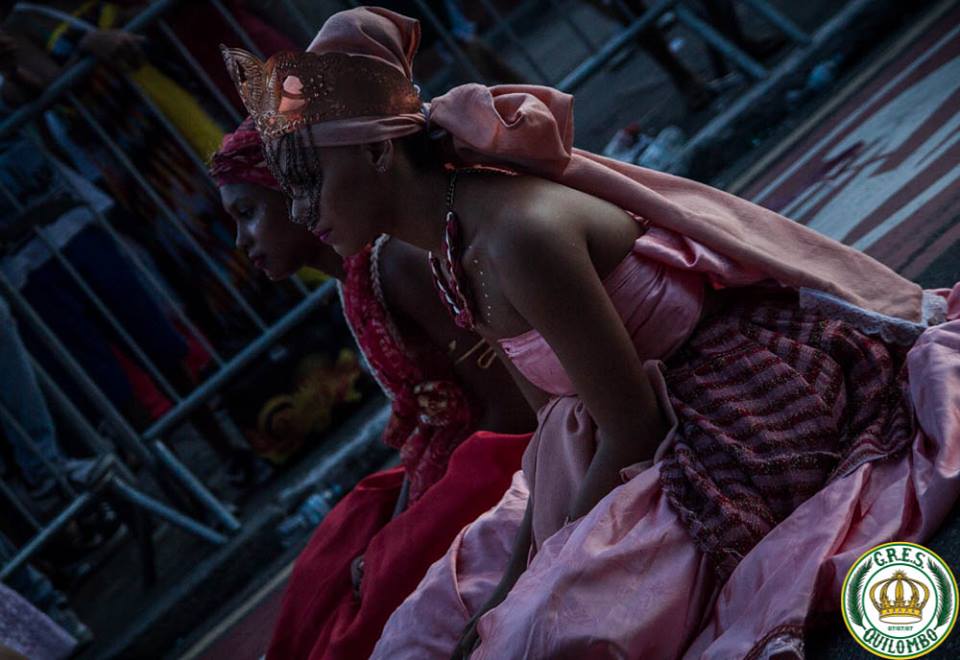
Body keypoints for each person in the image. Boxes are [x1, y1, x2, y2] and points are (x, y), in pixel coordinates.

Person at [223, 7, 959, 658]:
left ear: (378, 152)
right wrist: (513, 574)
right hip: (616, 441)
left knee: (548, 631)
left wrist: (535, 574)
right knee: (424, 627)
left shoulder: (516, 237)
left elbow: (634, 425)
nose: (301, 211)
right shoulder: (448, 243)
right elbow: (550, 422)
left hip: (730, 415)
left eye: (309, 182)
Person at [210, 118, 535, 659]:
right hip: (453, 454)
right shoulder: (354, 281)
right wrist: (402, 517)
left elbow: (512, 405)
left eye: (248, 213)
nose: (242, 241)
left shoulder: (398, 263)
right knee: (333, 553)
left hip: (500, 450)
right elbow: (426, 421)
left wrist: (407, 531)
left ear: (294, 194)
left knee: (378, 591)